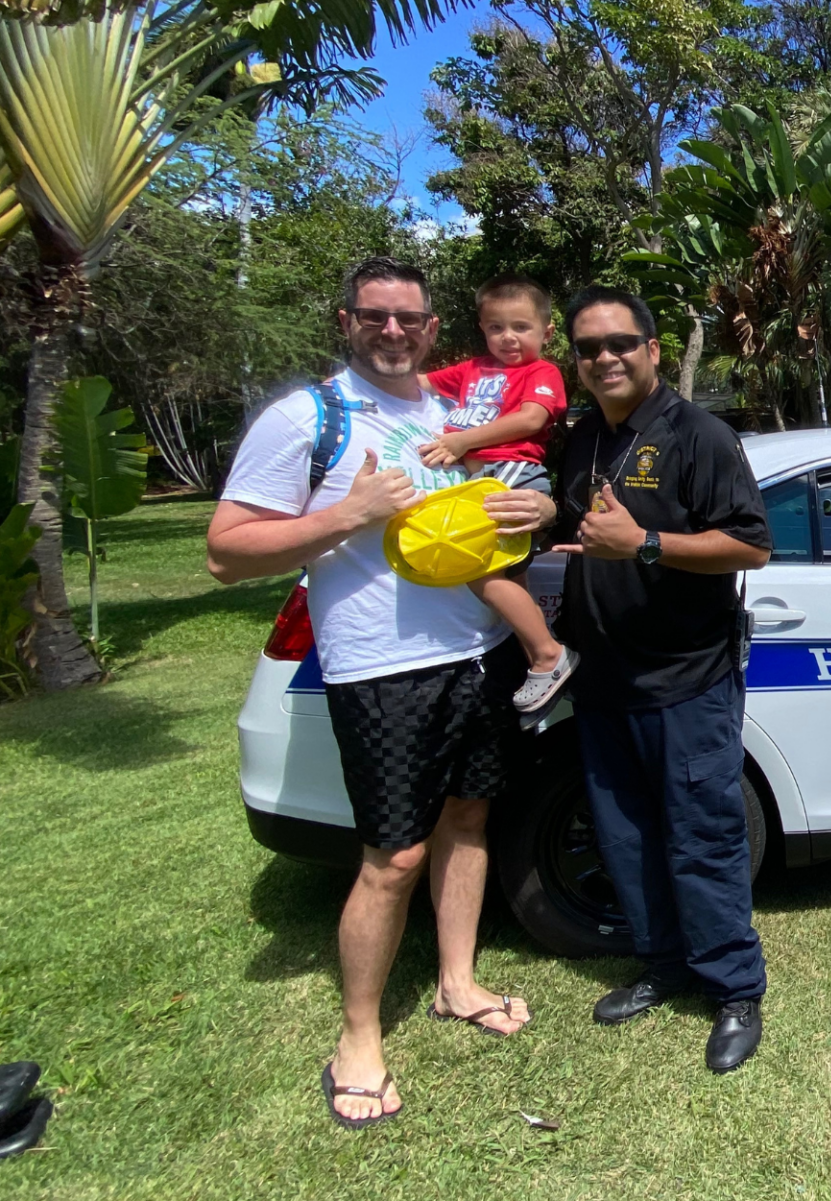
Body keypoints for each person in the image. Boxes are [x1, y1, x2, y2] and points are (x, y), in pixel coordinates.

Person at [207, 257, 555, 1127]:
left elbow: (484, 510)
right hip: (379, 668)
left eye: (409, 318)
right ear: (347, 319)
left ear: (435, 328)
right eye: (375, 316)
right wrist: (347, 517)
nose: (392, 331)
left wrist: (529, 515)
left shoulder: (450, 414)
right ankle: (358, 1038)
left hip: (475, 655)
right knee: (392, 857)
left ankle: (457, 982)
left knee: (468, 821)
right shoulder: (308, 417)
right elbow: (225, 550)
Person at [538, 285, 773, 1073]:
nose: (604, 357)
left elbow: (749, 546)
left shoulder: (697, 434)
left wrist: (643, 544)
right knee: (628, 839)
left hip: (687, 679)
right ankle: (664, 966)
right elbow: (578, 529)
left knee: (702, 838)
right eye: (588, 347)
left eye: (619, 343)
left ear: (652, 350)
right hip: (604, 680)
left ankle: (734, 989)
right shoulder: (583, 441)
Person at [419, 273, 578, 712]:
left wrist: (461, 442)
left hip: (509, 472)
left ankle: (550, 653)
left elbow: (530, 419)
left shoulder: (541, 371)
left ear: (545, 332)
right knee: (512, 576)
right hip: (484, 476)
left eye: (520, 327)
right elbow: (418, 384)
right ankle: (537, 662)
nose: (508, 337)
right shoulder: (471, 370)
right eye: (495, 327)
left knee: (474, 566)